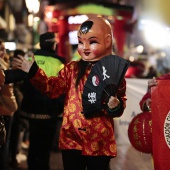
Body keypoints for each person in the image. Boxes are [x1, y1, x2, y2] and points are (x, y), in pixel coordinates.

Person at [12, 17, 127, 170]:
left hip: (99, 141)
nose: (85, 47)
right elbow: (52, 88)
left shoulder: (114, 72)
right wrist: (33, 72)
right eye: (81, 42)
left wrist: (116, 105)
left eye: (92, 42)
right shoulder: (71, 69)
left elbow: (119, 104)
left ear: (107, 41)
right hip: (72, 139)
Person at [19, 32, 65, 170]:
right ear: (53, 44)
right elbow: (62, 88)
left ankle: (32, 166)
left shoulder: (30, 58)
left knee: (33, 143)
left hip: (32, 109)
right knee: (46, 147)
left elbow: (23, 84)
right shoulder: (60, 63)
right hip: (50, 110)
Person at [0, 40, 18, 170]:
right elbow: (8, 94)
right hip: (4, 112)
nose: (3, 52)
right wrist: (13, 108)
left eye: (4, 49)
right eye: (1, 49)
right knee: (3, 148)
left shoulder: (4, 66)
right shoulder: (2, 69)